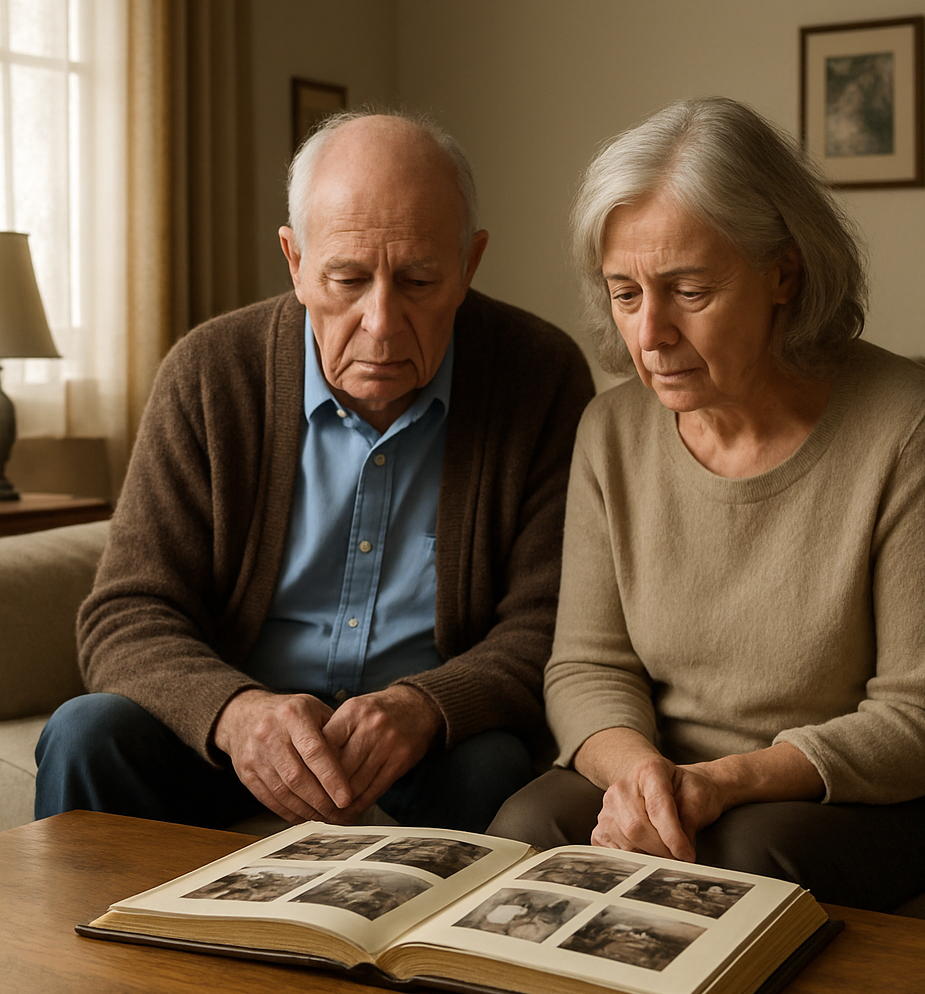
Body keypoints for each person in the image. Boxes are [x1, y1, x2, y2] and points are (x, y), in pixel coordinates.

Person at [488, 97, 925, 911]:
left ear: (785, 271)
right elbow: (586, 665)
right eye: (625, 293)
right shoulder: (611, 430)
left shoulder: (914, 424)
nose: (650, 334)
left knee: (743, 855)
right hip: (677, 766)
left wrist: (722, 784)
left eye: (688, 290)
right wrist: (642, 777)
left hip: (918, 789)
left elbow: (921, 721)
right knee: (526, 824)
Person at [35, 110, 594, 834]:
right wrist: (235, 714)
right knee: (86, 733)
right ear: (296, 262)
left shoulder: (539, 376)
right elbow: (127, 614)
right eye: (348, 279)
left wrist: (429, 706)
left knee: (493, 765)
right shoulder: (209, 373)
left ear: (469, 265)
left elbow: (548, 623)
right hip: (235, 734)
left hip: (425, 741)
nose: (382, 321)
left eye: (420, 280)